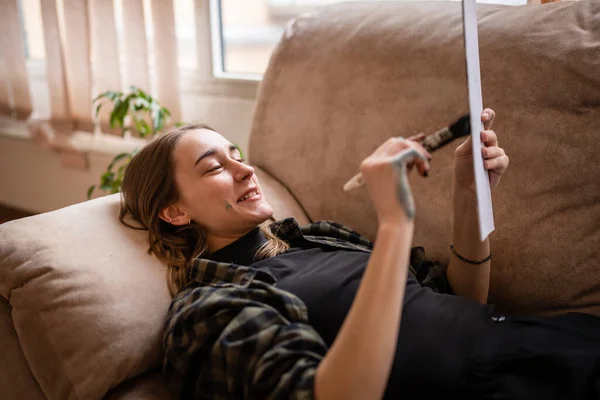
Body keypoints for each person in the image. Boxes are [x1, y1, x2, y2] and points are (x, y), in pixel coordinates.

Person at [119, 109, 600, 400]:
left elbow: (458, 302)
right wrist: (394, 222)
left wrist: (470, 196)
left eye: (236, 153)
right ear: (175, 212)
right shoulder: (208, 306)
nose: (244, 169)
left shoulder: (319, 236)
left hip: (532, 340)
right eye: (214, 168)